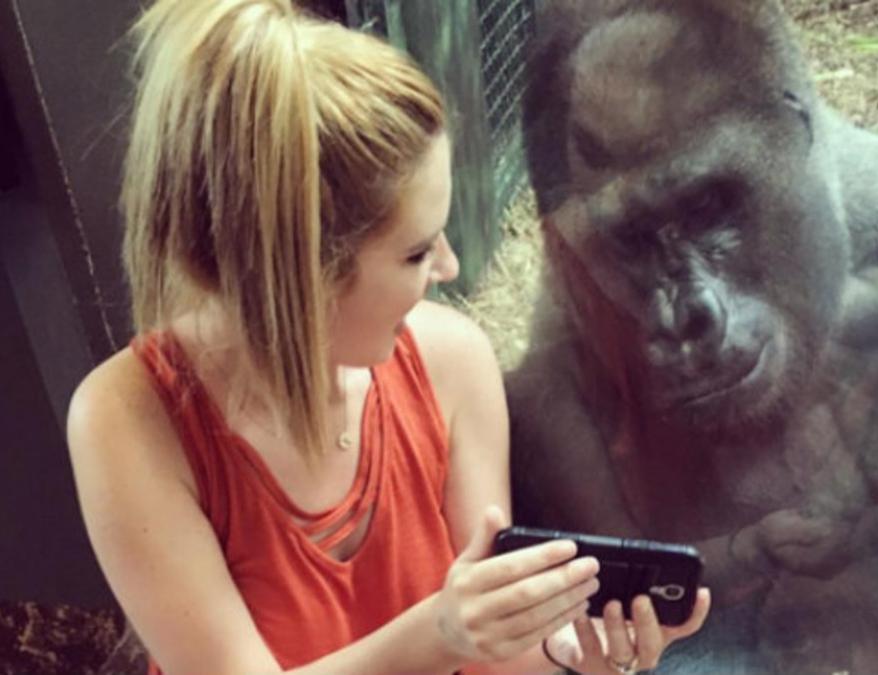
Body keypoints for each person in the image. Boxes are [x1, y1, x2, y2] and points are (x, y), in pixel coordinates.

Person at [65, 0, 710, 673]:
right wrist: (442, 632)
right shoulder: (126, 421)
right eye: (415, 252)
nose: (450, 268)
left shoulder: (454, 360)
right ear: (299, 273)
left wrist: (583, 657)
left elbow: (500, 657)